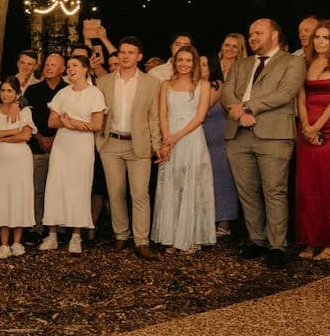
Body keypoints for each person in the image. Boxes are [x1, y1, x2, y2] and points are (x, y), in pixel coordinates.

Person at [220, 18, 308, 268]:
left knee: (274, 190)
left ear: (274, 35)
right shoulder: (242, 64)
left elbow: (285, 93)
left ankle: (277, 245)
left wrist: (247, 107)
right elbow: (227, 92)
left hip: (274, 135)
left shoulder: (293, 62)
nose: (253, 38)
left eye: (258, 33)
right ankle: (256, 240)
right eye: (250, 34)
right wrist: (237, 112)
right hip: (238, 135)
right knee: (247, 192)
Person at [95, 37, 161, 259]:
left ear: (139, 57)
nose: (125, 56)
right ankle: (121, 235)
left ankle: (142, 241)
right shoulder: (103, 82)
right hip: (111, 143)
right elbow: (97, 113)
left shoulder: (151, 84)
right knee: (115, 193)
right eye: (122, 52)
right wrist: (99, 140)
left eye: (130, 52)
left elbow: (154, 117)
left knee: (140, 193)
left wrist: (156, 144)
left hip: (138, 144)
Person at [152, 45, 215, 254]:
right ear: (174, 61)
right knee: (172, 183)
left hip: (191, 137)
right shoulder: (165, 85)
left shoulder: (203, 85)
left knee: (192, 185)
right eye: (180, 60)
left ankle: (190, 238)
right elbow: (162, 114)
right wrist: (166, 139)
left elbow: (200, 117)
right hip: (170, 135)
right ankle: (171, 237)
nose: (184, 64)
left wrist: (175, 138)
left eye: (188, 60)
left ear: (194, 63)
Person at [40, 56, 106, 254]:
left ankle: (76, 236)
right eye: (68, 66)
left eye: (75, 66)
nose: (71, 69)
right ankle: (52, 234)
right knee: (55, 185)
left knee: (79, 187)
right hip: (62, 145)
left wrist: (74, 124)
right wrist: (64, 123)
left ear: (86, 69)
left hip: (82, 146)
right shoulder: (62, 93)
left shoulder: (95, 94)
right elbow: (52, 122)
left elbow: (97, 125)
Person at [294, 19, 330, 259]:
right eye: (318, 37)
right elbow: (300, 97)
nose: (320, 41)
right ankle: (312, 240)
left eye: (326, 38)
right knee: (307, 186)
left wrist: (317, 127)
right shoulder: (306, 62)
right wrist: (306, 125)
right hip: (307, 128)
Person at [0, 77, 36, 258]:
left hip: (21, 158)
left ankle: (17, 242)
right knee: (3, 195)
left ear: (17, 94)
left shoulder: (25, 111)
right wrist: (12, 130)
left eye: (9, 91)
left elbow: (25, 136)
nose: (5, 94)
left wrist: (0, 135)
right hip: (1, 159)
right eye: (3, 91)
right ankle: (3, 244)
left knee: (20, 195)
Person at [24, 52, 67, 240]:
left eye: (53, 65)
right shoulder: (33, 91)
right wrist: (41, 137)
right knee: (37, 188)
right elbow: (26, 117)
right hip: (37, 146)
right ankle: (37, 227)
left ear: (63, 69)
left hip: (63, 147)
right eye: (47, 64)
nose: (49, 67)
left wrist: (55, 139)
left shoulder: (69, 90)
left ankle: (61, 227)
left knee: (60, 188)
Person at [200, 56, 240, 237]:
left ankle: (224, 222)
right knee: (204, 180)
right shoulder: (193, 86)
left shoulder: (217, 85)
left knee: (221, 179)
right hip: (200, 140)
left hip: (217, 141)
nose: (199, 68)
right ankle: (207, 219)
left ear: (212, 67)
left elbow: (201, 109)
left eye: (203, 65)